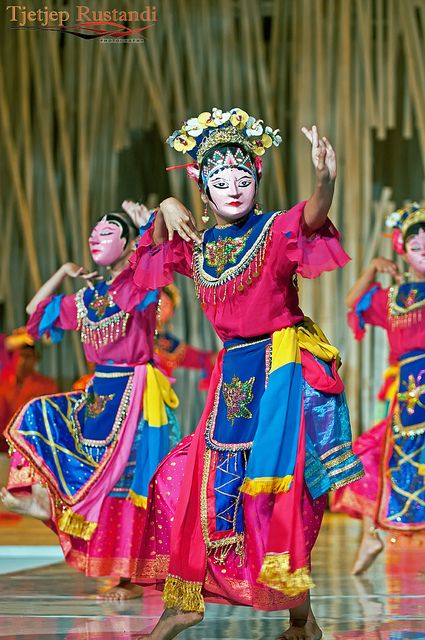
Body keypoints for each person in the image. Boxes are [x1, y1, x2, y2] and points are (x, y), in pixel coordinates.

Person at [113, 108, 363, 640]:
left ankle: (301, 616)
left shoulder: (273, 232)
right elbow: (154, 245)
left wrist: (326, 180)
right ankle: (188, 601)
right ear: (204, 188)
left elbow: (313, 218)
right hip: (232, 383)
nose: (233, 188)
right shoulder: (200, 246)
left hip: (280, 374)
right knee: (196, 483)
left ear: (257, 182)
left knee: (276, 494)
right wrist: (165, 201)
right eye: (220, 180)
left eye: (244, 178)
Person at [0, 205, 180, 600]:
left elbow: (162, 255)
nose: (96, 237)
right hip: (99, 393)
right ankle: (45, 503)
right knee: (37, 415)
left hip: (135, 396)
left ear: (128, 243)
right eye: (94, 231)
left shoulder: (139, 286)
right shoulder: (88, 298)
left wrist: (151, 223)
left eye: (108, 231)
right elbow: (34, 314)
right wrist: (63, 273)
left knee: (131, 483)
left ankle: (132, 578)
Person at [331, 204, 425, 575]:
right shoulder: (394, 299)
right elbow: (353, 301)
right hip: (409, 394)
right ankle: (372, 531)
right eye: (418, 247)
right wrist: (372, 267)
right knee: (382, 458)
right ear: (402, 251)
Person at [0, 329, 58, 453]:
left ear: (36, 359)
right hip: (3, 451)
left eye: (27, 356)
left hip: (33, 452)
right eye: (19, 355)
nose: (23, 361)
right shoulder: (3, 384)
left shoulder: (48, 386)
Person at [155, 284, 216, 390]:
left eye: (166, 304)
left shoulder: (170, 344)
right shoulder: (133, 329)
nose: (161, 307)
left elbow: (199, 358)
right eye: (158, 302)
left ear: (171, 313)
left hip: (158, 396)